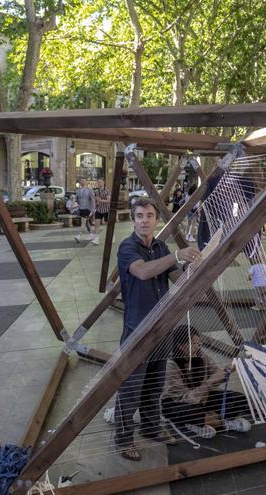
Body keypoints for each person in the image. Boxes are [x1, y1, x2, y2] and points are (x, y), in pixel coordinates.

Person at [113, 198, 202, 461]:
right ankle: (123, 438)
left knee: (154, 384)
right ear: (133, 220)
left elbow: (176, 277)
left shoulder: (161, 246)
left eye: (149, 215)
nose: (144, 220)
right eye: (139, 216)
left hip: (161, 328)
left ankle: (151, 428)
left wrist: (195, 267)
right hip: (138, 329)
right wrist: (175, 256)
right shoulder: (127, 247)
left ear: (156, 220)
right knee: (131, 387)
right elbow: (142, 272)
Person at [161, 326, 251, 441]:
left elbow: (214, 373)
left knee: (239, 399)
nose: (197, 347)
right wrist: (208, 384)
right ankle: (224, 424)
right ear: (180, 345)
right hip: (179, 403)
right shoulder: (171, 365)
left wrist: (225, 372)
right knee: (186, 412)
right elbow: (185, 398)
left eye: (198, 343)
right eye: (193, 344)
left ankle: (202, 422)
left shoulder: (201, 355)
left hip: (202, 399)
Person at [74, 178, 94, 243]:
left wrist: (93, 209)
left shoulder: (89, 190)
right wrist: (74, 204)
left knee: (83, 222)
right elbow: (76, 200)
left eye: (83, 181)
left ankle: (79, 235)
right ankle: (91, 234)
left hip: (87, 208)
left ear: (86, 182)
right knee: (86, 222)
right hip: (81, 208)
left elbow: (93, 200)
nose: (82, 182)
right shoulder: (78, 190)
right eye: (81, 181)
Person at [91, 178, 110, 246]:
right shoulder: (96, 191)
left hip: (106, 210)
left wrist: (100, 200)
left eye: (101, 182)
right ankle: (96, 239)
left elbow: (108, 200)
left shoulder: (106, 191)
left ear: (103, 183)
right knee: (97, 224)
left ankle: (111, 236)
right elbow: (95, 200)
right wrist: (94, 208)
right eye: (98, 182)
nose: (99, 183)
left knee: (108, 225)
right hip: (99, 210)